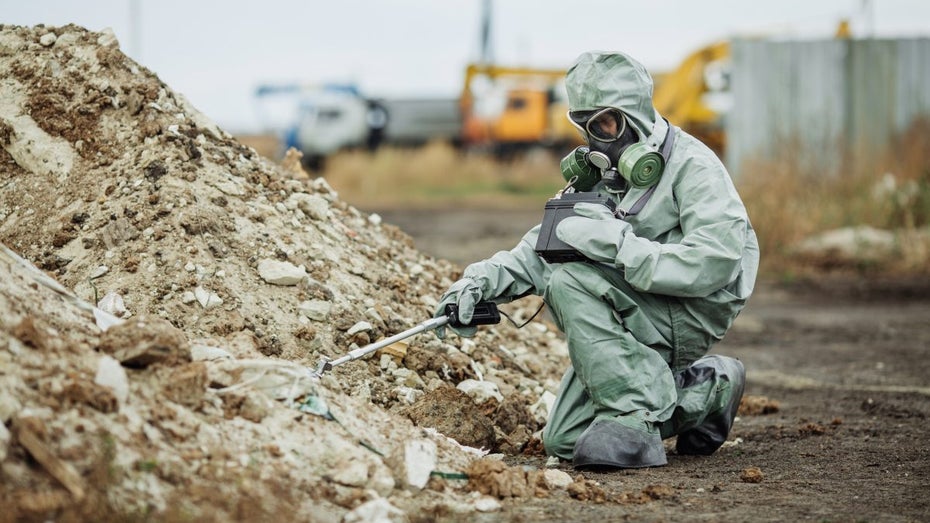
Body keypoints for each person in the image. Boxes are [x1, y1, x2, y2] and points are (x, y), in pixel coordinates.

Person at [434, 51, 759, 469]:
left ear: (635, 113)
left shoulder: (694, 167)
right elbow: (544, 248)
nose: (596, 137)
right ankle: (707, 393)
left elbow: (716, 261)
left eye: (606, 123)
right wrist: (479, 281)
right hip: (637, 304)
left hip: (692, 309)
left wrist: (619, 244)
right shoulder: (602, 176)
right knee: (566, 439)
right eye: (585, 125)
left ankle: (632, 422)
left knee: (569, 280)